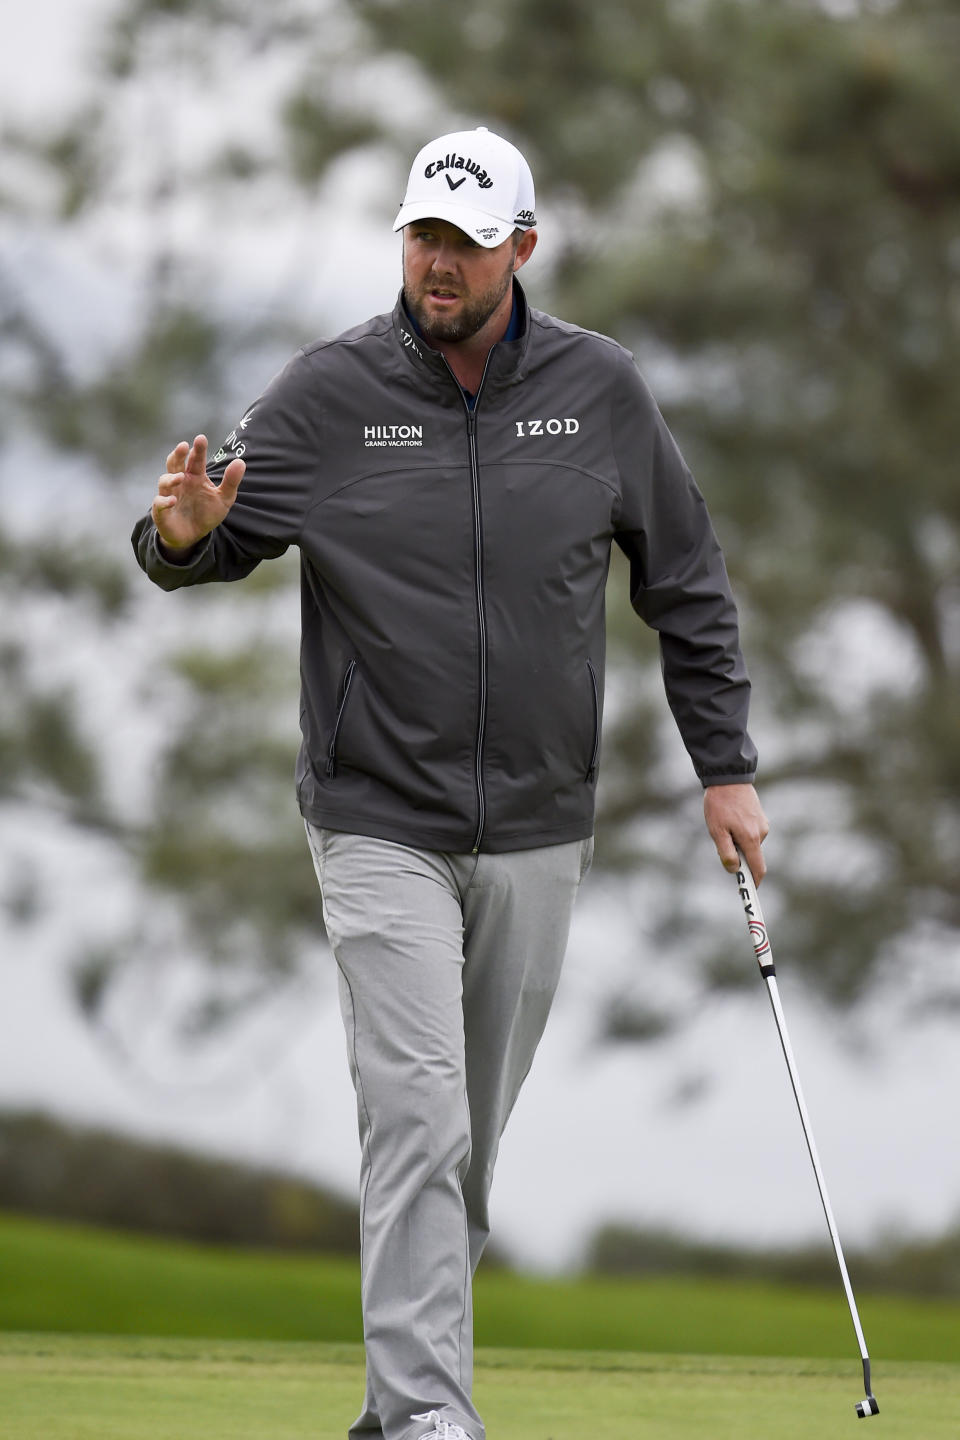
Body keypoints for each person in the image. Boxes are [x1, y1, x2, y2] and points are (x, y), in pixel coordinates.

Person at [132, 126, 768, 1440]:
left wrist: (727, 769)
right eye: (423, 234)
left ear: (521, 250)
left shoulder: (603, 395)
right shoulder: (328, 394)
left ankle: (392, 1414)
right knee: (415, 1109)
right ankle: (431, 1418)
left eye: (466, 243)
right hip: (378, 818)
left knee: (460, 1139)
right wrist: (178, 537)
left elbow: (689, 586)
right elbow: (210, 532)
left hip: (539, 824)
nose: (438, 262)